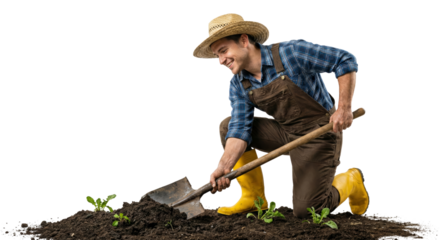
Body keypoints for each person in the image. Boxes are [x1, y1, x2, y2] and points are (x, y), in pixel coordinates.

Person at [191, 13, 371, 218]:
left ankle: (351, 180)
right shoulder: (237, 84)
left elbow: (345, 59)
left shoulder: (291, 53)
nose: (220, 61)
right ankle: (253, 198)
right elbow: (240, 130)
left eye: (223, 51)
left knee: (309, 210)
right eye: (217, 56)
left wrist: (344, 108)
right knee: (227, 126)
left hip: (320, 132)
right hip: (285, 130)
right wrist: (223, 167)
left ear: (243, 40)